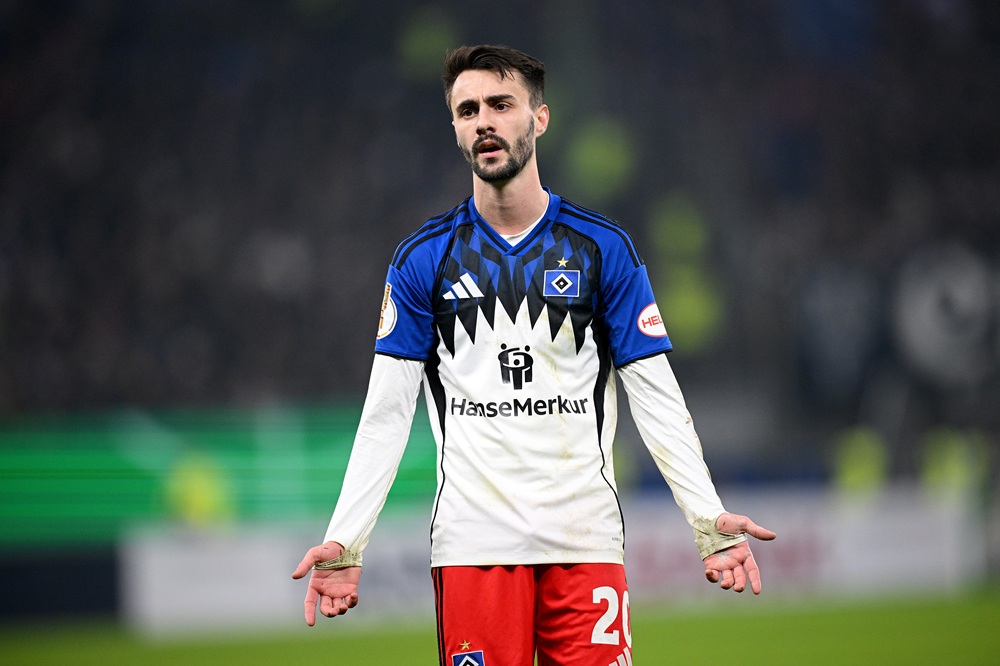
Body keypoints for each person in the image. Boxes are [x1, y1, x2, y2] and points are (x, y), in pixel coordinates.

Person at [293, 44, 776, 665]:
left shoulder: (604, 250)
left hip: (585, 543)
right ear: (455, 129)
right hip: (474, 550)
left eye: (501, 104)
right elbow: (385, 415)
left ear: (539, 119)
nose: (484, 121)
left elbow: (658, 400)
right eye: (467, 110)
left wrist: (708, 519)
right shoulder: (422, 261)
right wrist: (348, 540)